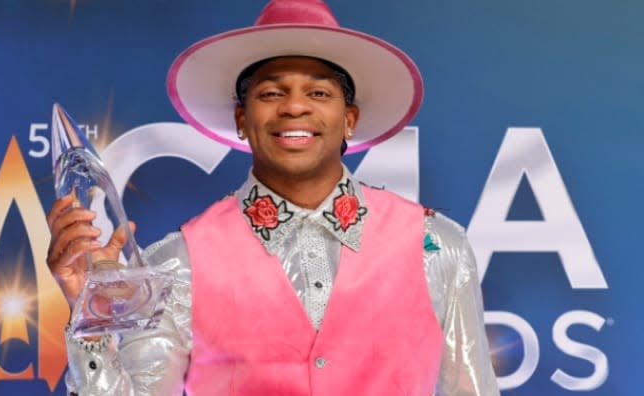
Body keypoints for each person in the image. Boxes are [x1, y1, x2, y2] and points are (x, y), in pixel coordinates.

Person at [47, 0, 500, 395]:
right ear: (243, 120)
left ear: (350, 119)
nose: (294, 107)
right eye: (271, 92)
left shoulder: (437, 248)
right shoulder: (178, 264)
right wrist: (92, 321)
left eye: (319, 92)